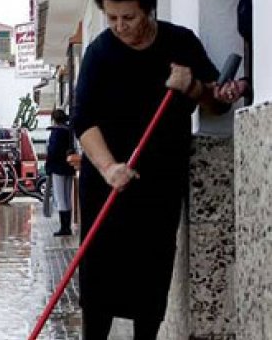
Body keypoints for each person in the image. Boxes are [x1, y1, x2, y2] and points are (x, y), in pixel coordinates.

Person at [71, 1, 247, 339]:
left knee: (150, 276)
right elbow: (84, 120)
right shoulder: (99, 54)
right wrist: (109, 168)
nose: (120, 26)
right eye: (112, 18)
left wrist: (192, 86)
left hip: (160, 180)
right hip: (109, 181)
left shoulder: (180, 42)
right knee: (100, 280)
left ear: (149, 10)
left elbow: (215, 102)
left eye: (129, 17)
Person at [45, 109, 76, 236]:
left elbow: (52, 151)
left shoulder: (56, 132)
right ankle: (67, 226)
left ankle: (64, 227)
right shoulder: (69, 131)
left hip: (57, 168)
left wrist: (48, 167)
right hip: (69, 166)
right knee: (68, 197)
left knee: (60, 197)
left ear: (54, 119)